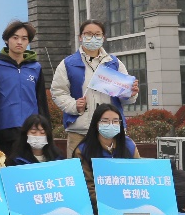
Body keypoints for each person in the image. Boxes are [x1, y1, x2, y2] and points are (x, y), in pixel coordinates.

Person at [51, 19, 140, 158]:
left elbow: (125, 98)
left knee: (112, 169)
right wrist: (74, 105)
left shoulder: (114, 63)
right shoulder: (68, 64)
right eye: (88, 34)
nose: (93, 38)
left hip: (111, 132)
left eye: (97, 34)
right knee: (79, 169)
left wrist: (130, 93)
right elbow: (58, 92)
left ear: (103, 37)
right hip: (80, 131)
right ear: (80, 37)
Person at [75, 104, 155, 215]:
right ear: (96, 123)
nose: (110, 125)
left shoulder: (129, 145)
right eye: (105, 121)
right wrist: (112, 209)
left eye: (115, 121)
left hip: (126, 200)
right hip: (99, 210)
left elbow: (139, 177)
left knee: (144, 200)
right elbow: (86, 188)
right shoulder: (83, 150)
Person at [6, 114, 75, 215]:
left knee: (73, 205)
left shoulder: (57, 158)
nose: (38, 136)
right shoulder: (16, 160)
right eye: (33, 132)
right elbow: (18, 200)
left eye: (42, 132)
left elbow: (65, 190)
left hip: (54, 209)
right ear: (25, 134)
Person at [0, 21, 49, 159]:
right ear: (6, 40)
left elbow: (41, 101)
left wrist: (46, 129)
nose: (19, 42)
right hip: (5, 130)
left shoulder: (35, 68)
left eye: (24, 38)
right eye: (15, 37)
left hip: (32, 130)